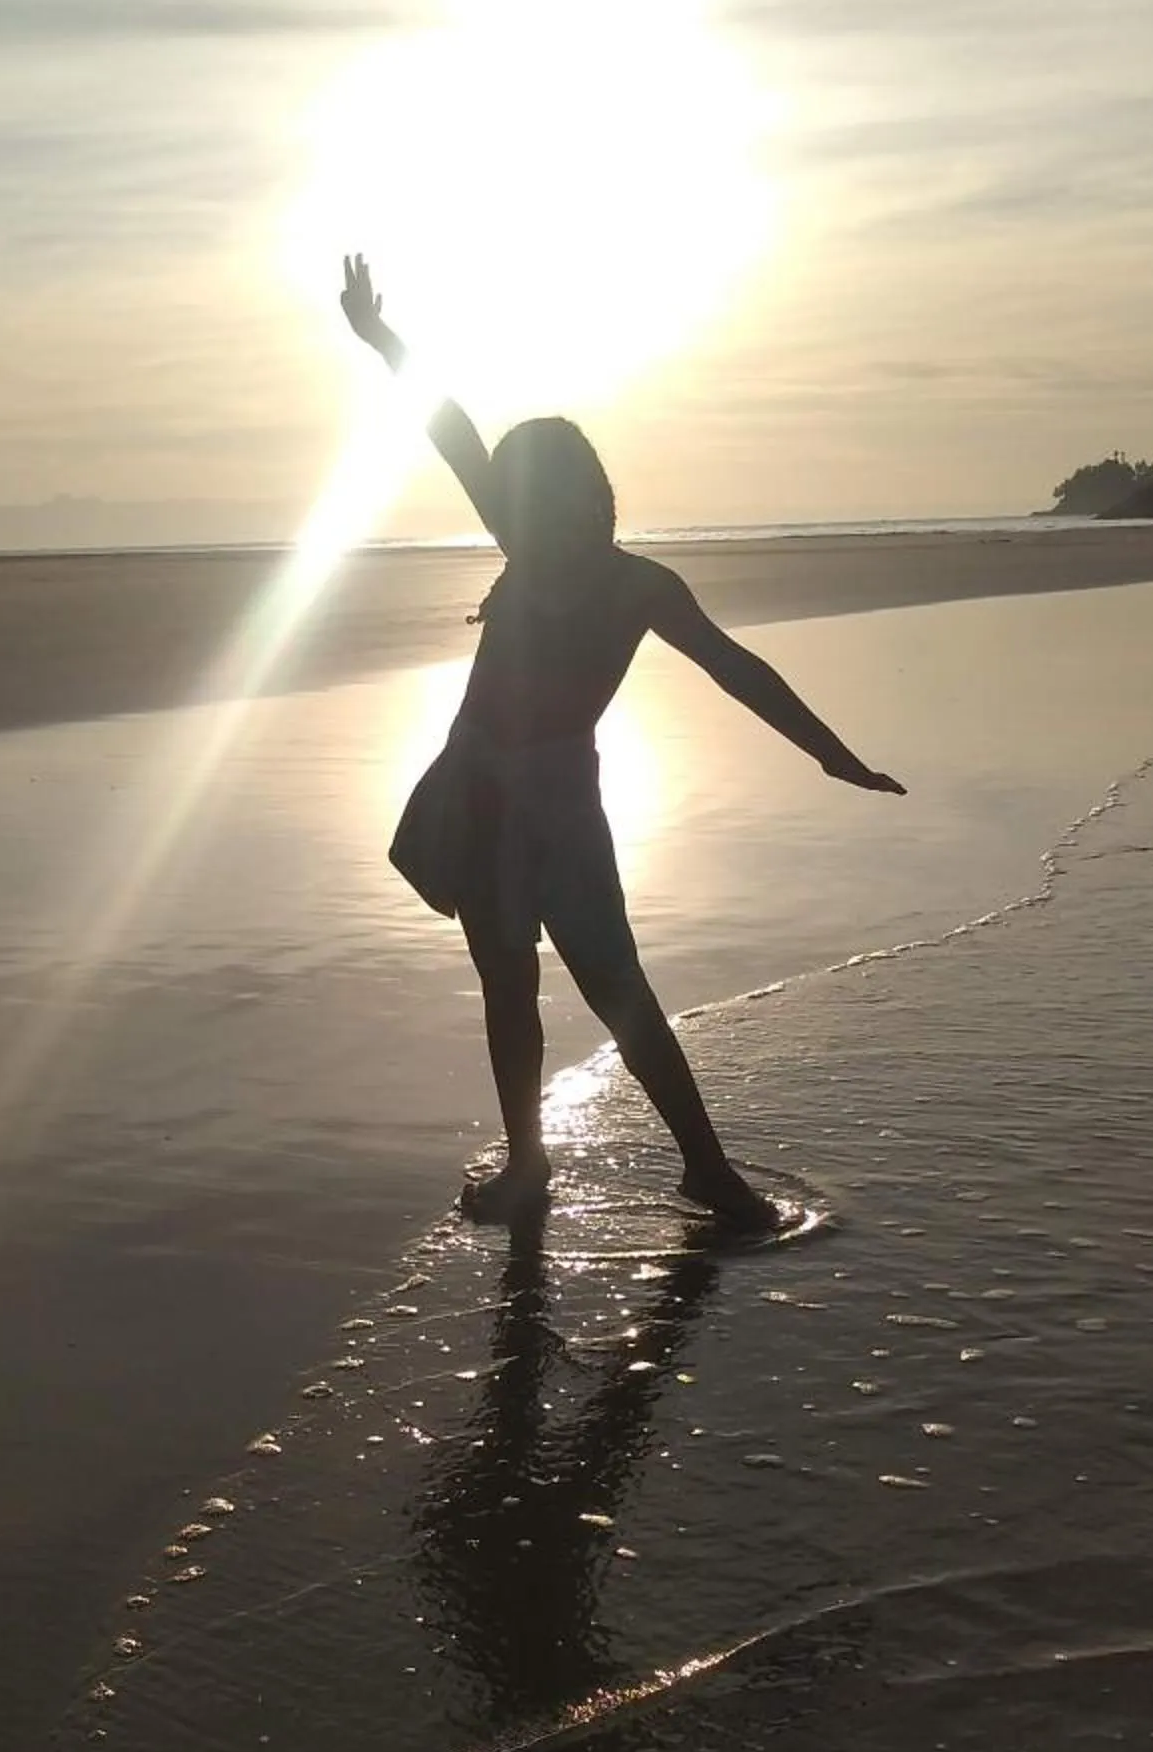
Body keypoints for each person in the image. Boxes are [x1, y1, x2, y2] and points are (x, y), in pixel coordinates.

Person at [339, 252, 904, 1230]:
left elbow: (737, 670)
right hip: (501, 795)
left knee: (596, 987)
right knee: (523, 986)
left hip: (535, 801)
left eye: (529, 489)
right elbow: (451, 431)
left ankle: (691, 1169)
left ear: (567, 496)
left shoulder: (626, 582)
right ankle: (549, 1168)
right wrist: (383, 341)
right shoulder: (601, 573)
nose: (520, 505)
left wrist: (827, 750)